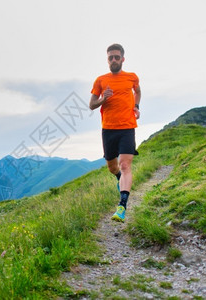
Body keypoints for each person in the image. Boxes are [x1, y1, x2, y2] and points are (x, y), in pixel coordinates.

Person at [89, 43, 141, 222]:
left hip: (127, 127)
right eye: (110, 57)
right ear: (107, 60)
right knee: (113, 168)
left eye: (116, 57)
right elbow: (91, 105)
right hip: (108, 130)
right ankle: (120, 179)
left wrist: (136, 106)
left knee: (125, 165)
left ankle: (122, 206)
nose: (113, 60)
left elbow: (138, 91)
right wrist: (104, 98)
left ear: (122, 59)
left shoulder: (132, 77)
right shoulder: (101, 80)